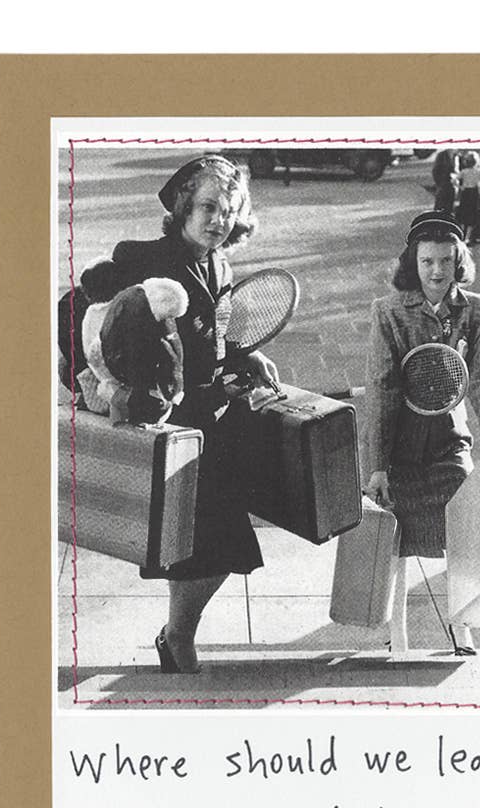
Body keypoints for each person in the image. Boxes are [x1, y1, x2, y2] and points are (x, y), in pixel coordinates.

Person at [77, 155, 280, 673]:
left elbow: (216, 337)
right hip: (168, 424)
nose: (218, 220)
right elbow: (93, 319)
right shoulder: (144, 258)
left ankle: (176, 635)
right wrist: (115, 387)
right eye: (208, 207)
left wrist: (246, 356)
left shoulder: (220, 266)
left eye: (228, 211)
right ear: (184, 207)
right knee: (201, 542)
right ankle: (178, 638)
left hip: (209, 423)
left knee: (211, 544)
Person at [365, 211, 480, 655]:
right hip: (400, 447)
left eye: (446, 260)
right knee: (396, 542)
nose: (437, 271)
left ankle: (463, 628)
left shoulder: (478, 309)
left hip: (449, 442)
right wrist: (377, 467)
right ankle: (397, 635)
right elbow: (382, 390)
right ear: (414, 262)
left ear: (459, 261)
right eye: (427, 261)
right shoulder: (387, 311)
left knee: (465, 531)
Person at [455, 151, 480, 245]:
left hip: (465, 193)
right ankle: (468, 237)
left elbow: (454, 180)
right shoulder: (479, 171)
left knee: (464, 214)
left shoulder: (464, 172)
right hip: (474, 193)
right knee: (472, 215)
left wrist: (460, 187)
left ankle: (461, 235)